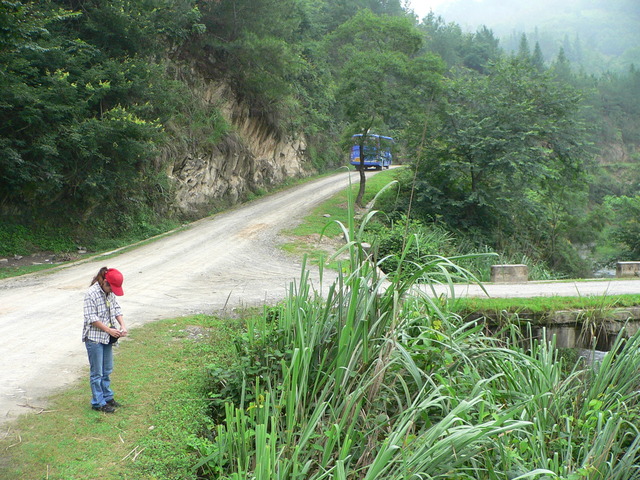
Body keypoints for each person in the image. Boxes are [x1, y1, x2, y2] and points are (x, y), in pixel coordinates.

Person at [82, 267, 128, 413]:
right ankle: (98, 402)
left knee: (107, 369)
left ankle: (108, 397)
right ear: (105, 282)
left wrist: (122, 326)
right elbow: (91, 318)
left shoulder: (110, 293)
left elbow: (116, 308)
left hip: (108, 337)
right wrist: (109, 330)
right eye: (112, 288)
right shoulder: (91, 294)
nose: (113, 292)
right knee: (97, 372)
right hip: (95, 338)